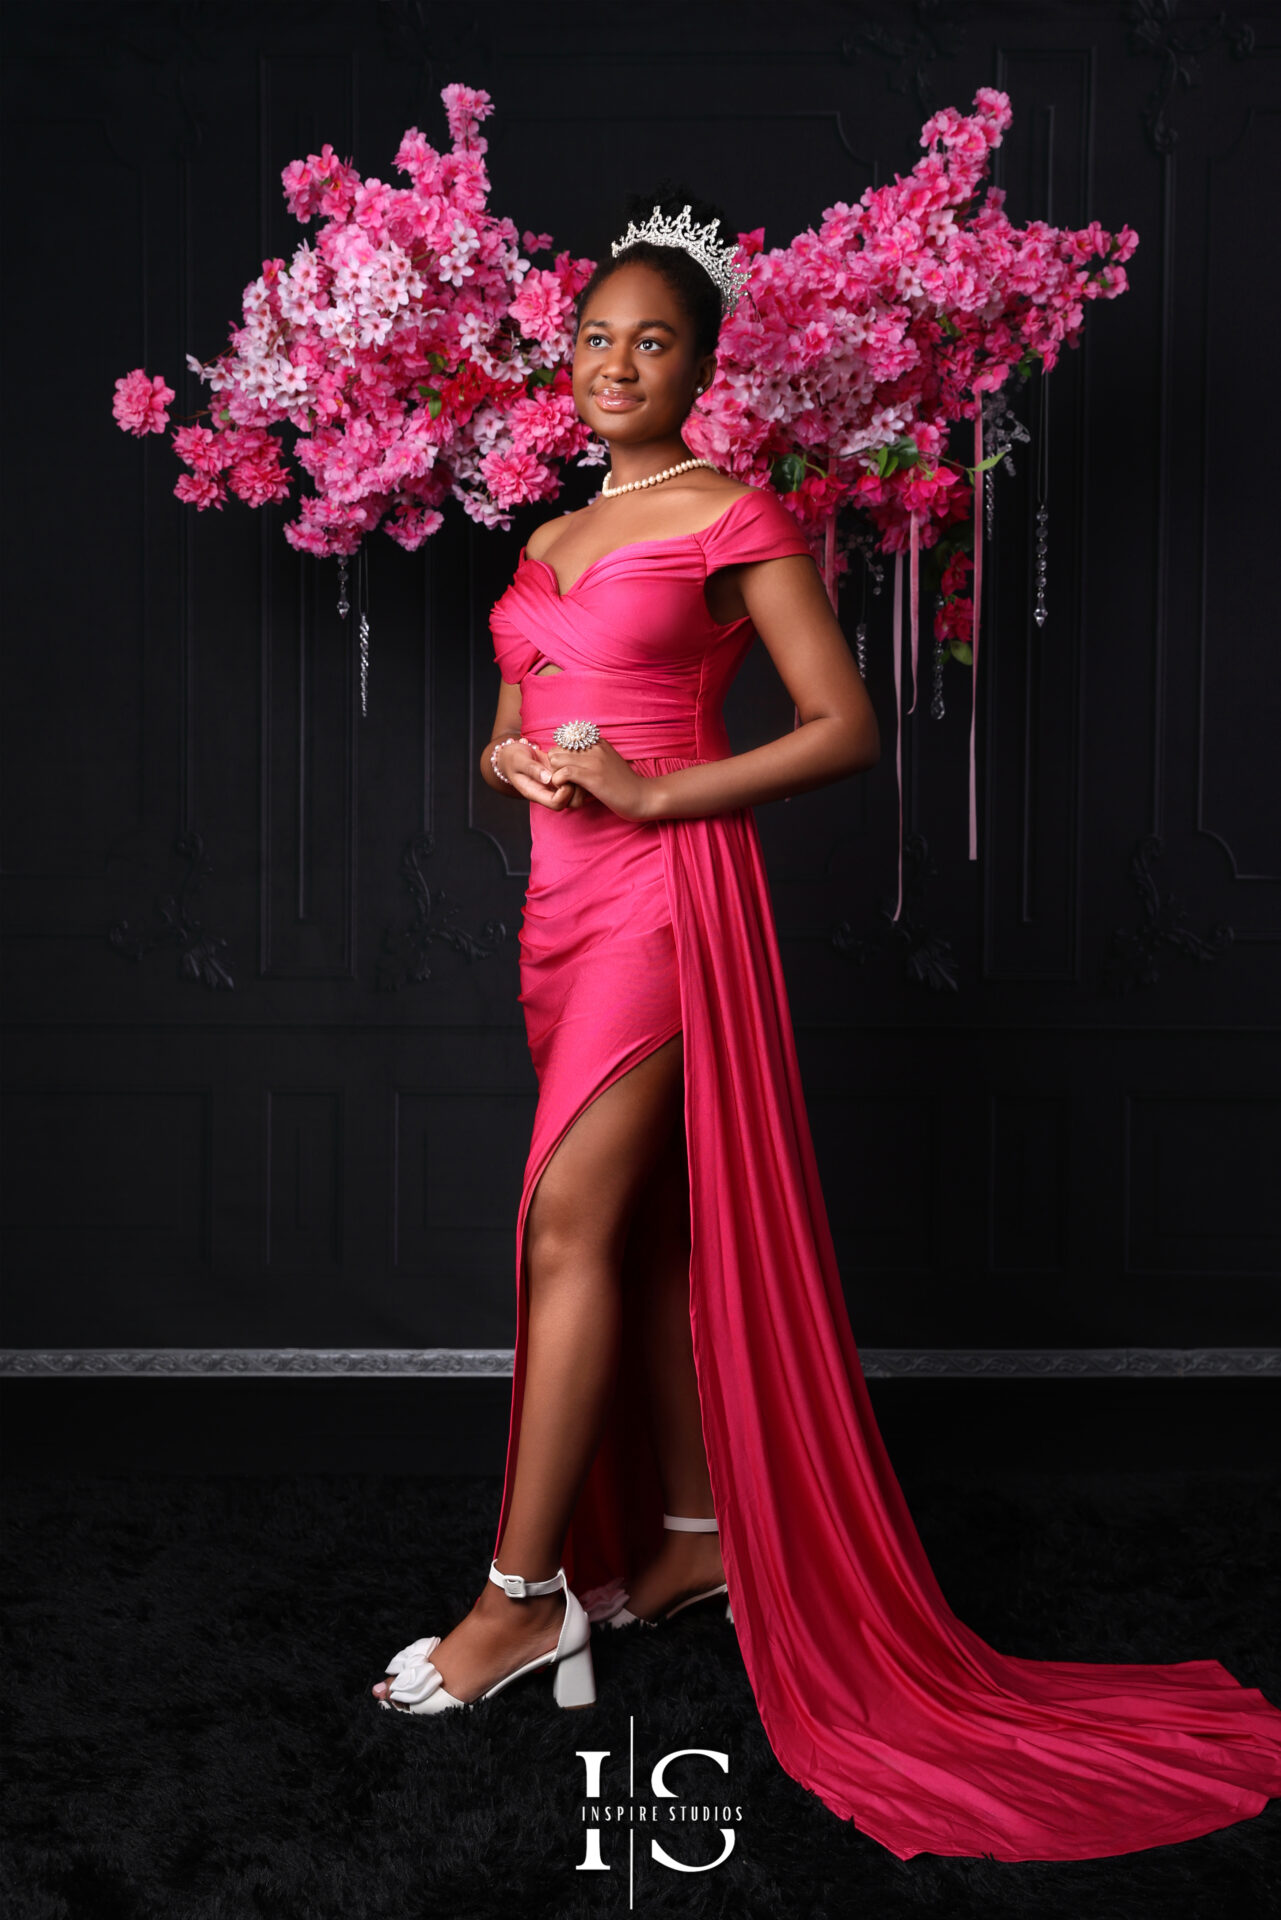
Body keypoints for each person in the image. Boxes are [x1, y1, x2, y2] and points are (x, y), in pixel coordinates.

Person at [372, 195, 1281, 1862]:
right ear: (562, 363)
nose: (615, 365)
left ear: (703, 368)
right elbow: (511, 715)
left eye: (652, 342)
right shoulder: (545, 538)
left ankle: (517, 1605)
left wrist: (653, 789)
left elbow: (842, 726)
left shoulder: (737, 512)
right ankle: (698, 1537)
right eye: (593, 340)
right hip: (553, 920)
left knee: (562, 1228)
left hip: (664, 906)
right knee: (635, 1236)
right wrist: (507, 760)